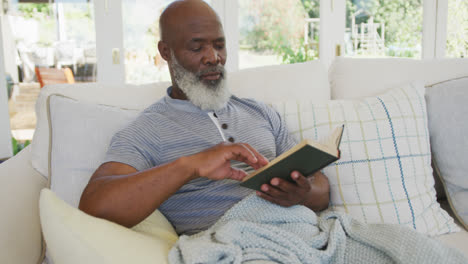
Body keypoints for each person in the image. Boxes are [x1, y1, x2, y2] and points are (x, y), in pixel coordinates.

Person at [79, 0, 330, 235]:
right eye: (197, 47)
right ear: (166, 51)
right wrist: (191, 165)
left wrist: (302, 194)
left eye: (219, 45)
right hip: (234, 245)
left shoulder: (260, 112)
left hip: (302, 232)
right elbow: (94, 205)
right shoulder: (148, 129)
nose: (214, 58)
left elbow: (322, 191)